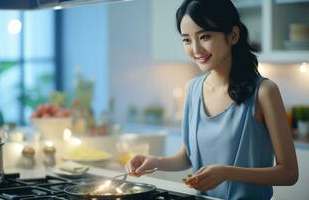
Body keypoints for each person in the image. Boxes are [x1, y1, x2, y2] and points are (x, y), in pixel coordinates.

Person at [126, 0, 298, 199]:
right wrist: (155, 161)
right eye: (187, 40)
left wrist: (227, 172)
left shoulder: (264, 92)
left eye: (204, 36)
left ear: (233, 35)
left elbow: (289, 173)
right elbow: (187, 157)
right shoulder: (192, 89)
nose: (196, 49)